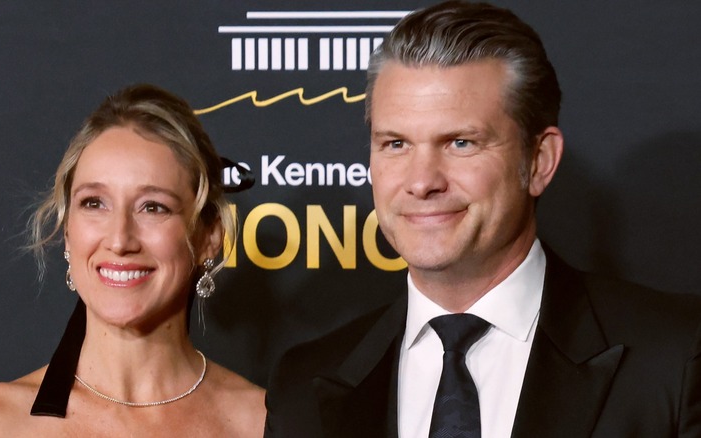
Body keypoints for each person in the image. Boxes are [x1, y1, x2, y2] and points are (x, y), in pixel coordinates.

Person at [264, 2, 701, 437]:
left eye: (460, 143)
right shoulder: (304, 383)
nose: (422, 182)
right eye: (396, 144)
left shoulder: (674, 357)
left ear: (538, 161)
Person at [0, 84, 265, 436]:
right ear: (67, 230)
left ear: (209, 237)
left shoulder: (263, 423)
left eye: (153, 207)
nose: (119, 239)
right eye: (94, 203)